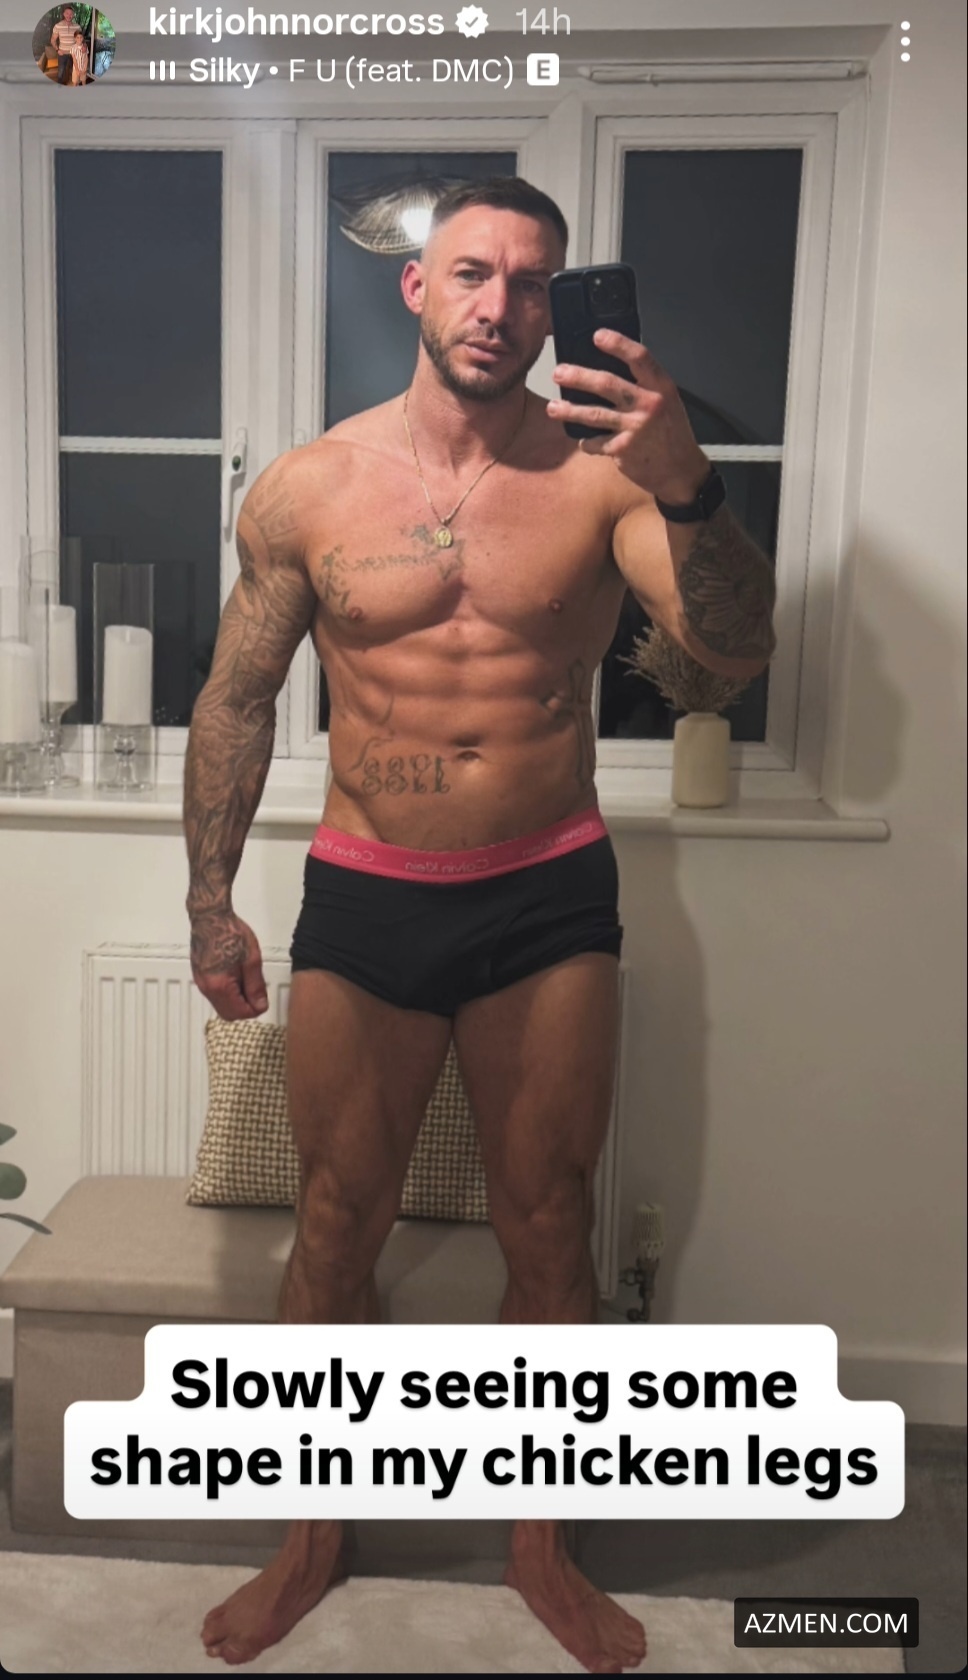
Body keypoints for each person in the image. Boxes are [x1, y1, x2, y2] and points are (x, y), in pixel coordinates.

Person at [183, 176, 776, 1672]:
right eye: (470, 273)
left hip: (544, 893)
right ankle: (309, 1536)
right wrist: (209, 900)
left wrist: (689, 481)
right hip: (366, 888)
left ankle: (539, 1545)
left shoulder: (604, 482)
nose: (498, 306)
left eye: (528, 281)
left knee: (549, 1225)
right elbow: (237, 699)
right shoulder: (309, 487)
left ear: (554, 302)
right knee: (336, 1225)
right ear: (418, 288)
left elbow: (735, 649)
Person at [47, 4, 77, 85]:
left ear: (73, 15)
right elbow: (53, 40)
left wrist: (82, 48)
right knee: (60, 72)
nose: (69, 16)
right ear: (63, 14)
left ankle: (75, 85)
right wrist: (57, 50)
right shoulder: (58, 26)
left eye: (71, 14)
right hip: (62, 54)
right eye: (67, 13)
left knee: (75, 71)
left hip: (74, 53)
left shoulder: (77, 27)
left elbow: (80, 40)